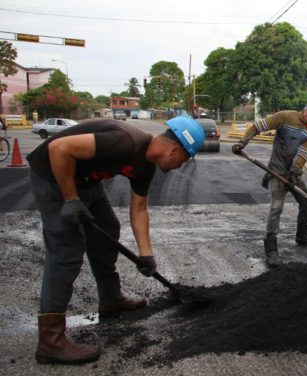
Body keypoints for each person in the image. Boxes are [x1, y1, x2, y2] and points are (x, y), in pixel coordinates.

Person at [26, 116, 205, 364]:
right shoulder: (125, 142)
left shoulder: (146, 166)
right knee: (65, 252)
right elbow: (58, 148)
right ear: (175, 149)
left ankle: (110, 298)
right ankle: (50, 342)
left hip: (86, 180)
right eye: (183, 161)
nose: (179, 166)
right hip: (54, 175)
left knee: (108, 228)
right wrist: (70, 199)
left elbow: (139, 208)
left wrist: (146, 254)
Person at [232, 90, 307, 268]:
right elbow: (258, 126)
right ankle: (271, 248)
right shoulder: (285, 117)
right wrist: (242, 143)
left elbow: (303, 152)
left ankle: (302, 236)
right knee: (277, 207)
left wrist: (294, 172)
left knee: (305, 202)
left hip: (292, 174)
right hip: (276, 172)